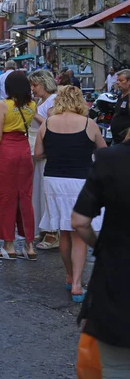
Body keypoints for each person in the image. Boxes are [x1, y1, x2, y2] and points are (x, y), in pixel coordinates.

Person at [34, 86, 106, 301]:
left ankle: (68, 275)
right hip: (81, 181)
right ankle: (76, 284)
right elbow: (103, 151)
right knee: (79, 234)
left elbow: (38, 153)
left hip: (54, 180)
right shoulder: (88, 124)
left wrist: (55, 152)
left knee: (64, 231)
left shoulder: (47, 123)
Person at [72, 131, 130, 376]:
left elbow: (80, 222)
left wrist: (99, 245)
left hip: (118, 280)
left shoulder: (109, 159)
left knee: (117, 367)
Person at [0, 71, 37, 260]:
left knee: (5, 197)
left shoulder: (2, 105)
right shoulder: (32, 105)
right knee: (25, 197)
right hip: (24, 151)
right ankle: (30, 245)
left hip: (6, 152)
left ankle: (9, 244)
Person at [28, 70, 59, 249]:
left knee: (47, 192)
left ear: (44, 84)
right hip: (37, 151)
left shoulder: (52, 101)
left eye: (35, 85)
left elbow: (53, 124)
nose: (32, 89)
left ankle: (52, 232)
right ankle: (44, 227)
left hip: (46, 151)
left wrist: (33, 113)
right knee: (39, 190)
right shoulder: (40, 101)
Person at [111, 69, 130, 144]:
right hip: (116, 140)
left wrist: (125, 141)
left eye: (121, 80)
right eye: (117, 80)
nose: (118, 82)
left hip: (125, 142)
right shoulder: (120, 95)